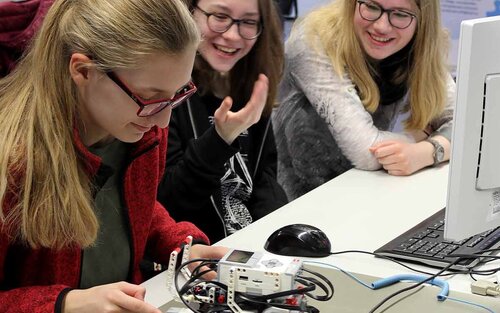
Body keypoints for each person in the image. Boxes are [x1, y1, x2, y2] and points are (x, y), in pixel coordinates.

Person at [0, 0, 227, 312]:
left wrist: (178, 245)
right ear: (83, 70)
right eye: (149, 98)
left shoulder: (139, 129)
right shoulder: (11, 157)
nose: (162, 122)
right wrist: (65, 304)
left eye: (176, 95)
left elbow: (130, 207)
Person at [273, 0, 455, 200]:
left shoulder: (423, 43)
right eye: (371, 7)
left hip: (366, 190)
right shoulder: (313, 39)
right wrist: (417, 137)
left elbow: (471, 125)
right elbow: (365, 150)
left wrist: (427, 151)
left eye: (401, 14)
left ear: (422, 20)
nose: (381, 26)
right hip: (294, 198)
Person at [157, 0, 288, 242]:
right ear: (189, 12)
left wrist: (279, 239)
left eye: (248, 22)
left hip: (243, 249)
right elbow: (168, 204)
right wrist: (220, 139)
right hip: (191, 253)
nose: (232, 35)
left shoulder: (251, 81)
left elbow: (263, 181)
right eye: (219, 16)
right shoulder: (163, 92)